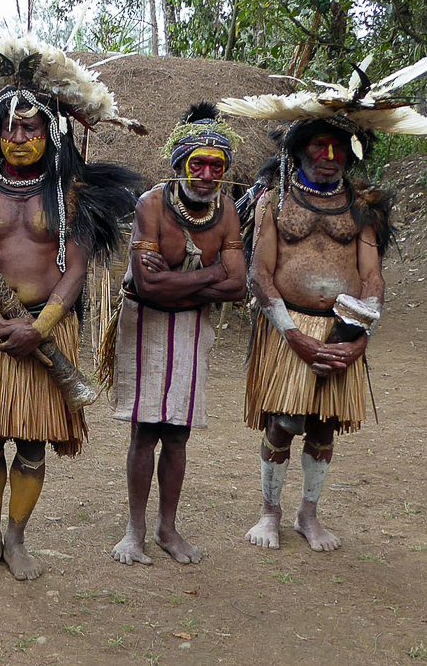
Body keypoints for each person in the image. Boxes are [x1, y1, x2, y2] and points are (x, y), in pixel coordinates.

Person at [0, 36, 142, 581]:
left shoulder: (69, 193)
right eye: (10, 127)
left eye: (31, 127)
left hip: (48, 333)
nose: (20, 136)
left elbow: (74, 271)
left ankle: (17, 539)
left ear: (50, 131)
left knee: (31, 443)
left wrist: (41, 328)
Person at [219, 58, 427, 552]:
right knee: (282, 422)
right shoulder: (273, 199)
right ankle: (269, 513)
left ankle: (308, 515)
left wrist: (361, 336)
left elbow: (373, 276)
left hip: (341, 328)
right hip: (287, 327)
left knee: (323, 426)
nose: (329, 154)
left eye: (339, 146)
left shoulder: (363, 207)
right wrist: (290, 333)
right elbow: (259, 273)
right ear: (299, 148)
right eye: (319, 143)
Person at [102, 103, 247, 565]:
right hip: (145, 323)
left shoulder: (226, 213)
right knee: (145, 430)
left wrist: (179, 280)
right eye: (197, 164)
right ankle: (135, 530)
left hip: (189, 328)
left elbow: (240, 285)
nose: (206, 174)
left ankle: (167, 527)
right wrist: (210, 274)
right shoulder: (151, 204)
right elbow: (148, 285)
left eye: (216, 166)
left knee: (178, 434)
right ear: (180, 164)